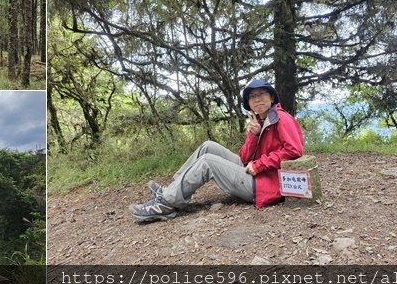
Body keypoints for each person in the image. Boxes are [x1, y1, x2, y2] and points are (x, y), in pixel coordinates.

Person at [128, 79, 305, 222]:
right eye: (253, 96)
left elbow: (294, 150)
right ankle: (173, 189)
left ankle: (166, 203)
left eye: (262, 94)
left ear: (272, 98)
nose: (258, 99)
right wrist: (254, 135)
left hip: (264, 184)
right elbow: (243, 157)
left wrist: (259, 164)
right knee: (208, 146)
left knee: (208, 162)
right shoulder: (259, 121)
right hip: (254, 172)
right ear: (249, 103)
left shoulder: (281, 118)